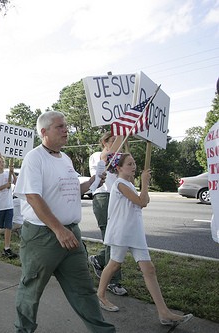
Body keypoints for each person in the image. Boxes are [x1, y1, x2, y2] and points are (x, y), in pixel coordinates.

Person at [14, 111, 115, 333]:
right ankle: (23, 330)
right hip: (43, 238)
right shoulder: (35, 157)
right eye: (59, 127)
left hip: (71, 235)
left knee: (84, 290)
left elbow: (69, 191)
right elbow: (33, 196)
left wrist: (91, 182)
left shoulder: (66, 159)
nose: (65, 130)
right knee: (31, 290)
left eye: (65, 126)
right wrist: (59, 230)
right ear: (44, 132)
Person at [97, 153, 193, 327]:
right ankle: (101, 296)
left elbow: (145, 200)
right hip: (122, 232)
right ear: (118, 168)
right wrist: (145, 182)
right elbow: (141, 202)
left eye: (134, 163)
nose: (134, 166)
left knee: (149, 269)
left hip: (135, 232)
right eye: (129, 164)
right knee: (114, 264)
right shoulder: (119, 184)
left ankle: (164, 313)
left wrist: (143, 186)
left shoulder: (128, 184)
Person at [88, 132, 128, 296]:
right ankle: (113, 281)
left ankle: (99, 259)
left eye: (119, 141)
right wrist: (120, 137)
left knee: (118, 238)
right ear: (104, 142)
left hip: (118, 198)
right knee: (112, 239)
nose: (118, 143)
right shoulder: (98, 155)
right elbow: (104, 159)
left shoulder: (120, 158)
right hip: (103, 197)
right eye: (113, 140)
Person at [0, 156, 18, 259]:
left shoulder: (7, 173)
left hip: (9, 205)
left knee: (8, 226)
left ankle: (7, 247)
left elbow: (16, 182)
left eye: (3, 161)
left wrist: (13, 173)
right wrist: (4, 186)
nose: (2, 163)